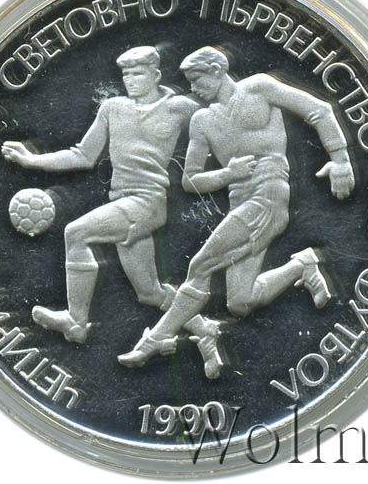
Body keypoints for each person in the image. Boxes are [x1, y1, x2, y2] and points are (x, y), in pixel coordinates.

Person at [118, 46, 355, 375]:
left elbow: (319, 110)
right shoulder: (202, 120)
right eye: (189, 83)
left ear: (217, 70)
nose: (194, 89)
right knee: (240, 302)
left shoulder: (258, 88)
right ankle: (301, 266)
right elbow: (190, 180)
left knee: (200, 266)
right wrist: (228, 174)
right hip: (241, 205)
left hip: (268, 196)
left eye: (197, 80)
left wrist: (340, 159)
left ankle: (156, 339)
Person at [1, 46, 223, 376]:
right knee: (150, 292)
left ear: (156, 75)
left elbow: (222, 119)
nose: (131, 80)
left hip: (147, 203)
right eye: (126, 75)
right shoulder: (113, 108)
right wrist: (32, 160)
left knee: (76, 233)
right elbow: (82, 155)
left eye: (138, 73)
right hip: (123, 201)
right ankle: (205, 332)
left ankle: (76, 322)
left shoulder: (180, 107)